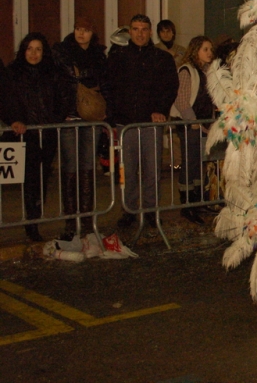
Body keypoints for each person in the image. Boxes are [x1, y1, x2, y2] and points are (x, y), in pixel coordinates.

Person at [107, 15, 179, 228]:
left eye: (144, 29)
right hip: (125, 124)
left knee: (152, 170)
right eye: (135, 29)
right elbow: (109, 88)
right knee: (126, 171)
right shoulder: (118, 58)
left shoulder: (162, 58)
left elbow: (170, 88)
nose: (139, 33)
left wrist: (160, 110)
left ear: (150, 32)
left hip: (151, 123)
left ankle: (150, 211)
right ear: (129, 31)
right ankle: (128, 210)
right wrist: (114, 116)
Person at [5, 33, 67, 241]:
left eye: (38, 49)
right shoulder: (12, 73)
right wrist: (14, 120)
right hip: (25, 135)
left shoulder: (52, 73)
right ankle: (31, 224)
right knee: (29, 179)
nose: (34, 53)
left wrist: (55, 120)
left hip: (47, 133)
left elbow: (62, 99)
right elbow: (5, 101)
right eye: (30, 49)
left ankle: (35, 219)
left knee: (41, 178)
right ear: (23, 50)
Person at [52, 17, 109, 239]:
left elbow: (104, 81)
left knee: (87, 167)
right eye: (78, 29)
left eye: (85, 29)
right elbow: (62, 80)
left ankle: (86, 218)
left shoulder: (98, 54)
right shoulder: (62, 51)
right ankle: (71, 219)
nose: (81, 33)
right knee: (70, 168)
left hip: (91, 117)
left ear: (92, 32)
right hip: (70, 116)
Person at [171, 36, 216, 225]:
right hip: (189, 124)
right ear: (195, 50)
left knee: (200, 163)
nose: (209, 53)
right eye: (205, 49)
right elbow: (181, 100)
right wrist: (193, 121)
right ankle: (187, 204)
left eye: (210, 49)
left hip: (203, 125)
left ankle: (199, 200)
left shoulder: (207, 72)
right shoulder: (186, 71)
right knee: (189, 163)